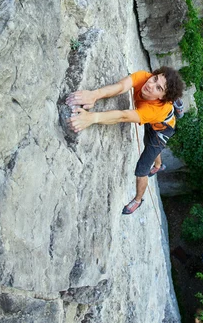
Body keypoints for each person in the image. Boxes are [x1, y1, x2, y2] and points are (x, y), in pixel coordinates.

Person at [66, 67, 184, 215]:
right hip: (154, 120)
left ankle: (138, 200)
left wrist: (92, 118)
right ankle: (159, 165)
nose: (150, 85)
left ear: (162, 97)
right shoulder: (144, 77)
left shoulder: (154, 110)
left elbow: (123, 116)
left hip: (162, 130)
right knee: (149, 143)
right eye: (154, 79)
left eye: (158, 87)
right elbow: (121, 86)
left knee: (142, 169)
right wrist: (94, 95)